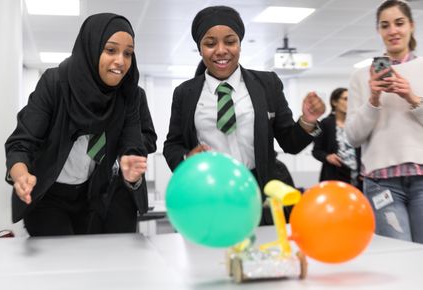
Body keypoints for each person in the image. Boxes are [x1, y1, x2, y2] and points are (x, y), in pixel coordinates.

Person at [163, 5, 325, 225]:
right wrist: (187, 159)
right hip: (210, 192)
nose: (221, 50)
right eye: (210, 44)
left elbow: (290, 142)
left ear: (240, 44)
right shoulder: (185, 93)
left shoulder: (267, 84)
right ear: (200, 49)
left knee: (262, 254)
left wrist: (307, 120)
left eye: (230, 41)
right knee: (212, 256)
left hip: (260, 189)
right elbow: (173, 144)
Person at [5, 13, 148, 236]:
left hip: (92, 195)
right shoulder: (55, 83)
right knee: (61, 259)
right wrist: (21, 174)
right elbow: (21, 143)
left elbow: (132, 142)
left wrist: (130, 164)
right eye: (111, 50)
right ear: (91, 48)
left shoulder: (128, 94)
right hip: (48, 195)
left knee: (93, 260)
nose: (121, 61)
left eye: (128, 53)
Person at [345, 0, 423, 243]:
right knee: (398, 257)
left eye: (399, 23)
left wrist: (411, 97)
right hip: (382, 183)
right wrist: (374, 99)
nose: (393, 31)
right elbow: (352, 136)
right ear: (378, 30)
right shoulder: (361, 77)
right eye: (385, 25)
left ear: (411, 25)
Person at [102, 87, 157, 233]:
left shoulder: (136, 94)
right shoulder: (83, 93)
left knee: (124, 249)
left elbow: (151, 140)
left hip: (123, 188)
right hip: (86, 186)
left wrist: (128, 141)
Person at [312, 88, 362, 190]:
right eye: (346, 99)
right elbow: (316, 151)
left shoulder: (357, 123)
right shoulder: (325, 123)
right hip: (334, 175)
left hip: (357, 178)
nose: (350, 103)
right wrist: (327, 157)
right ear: (334, 102)